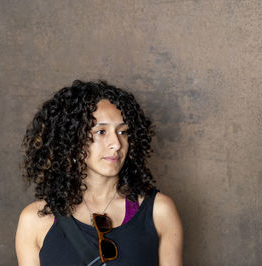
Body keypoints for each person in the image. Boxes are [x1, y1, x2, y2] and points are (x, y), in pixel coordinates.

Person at [15, 80, 183, 266]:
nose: (116, 144)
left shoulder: (159, 211)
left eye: (123, 132)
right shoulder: (34, 220)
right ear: (72, 140)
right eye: (101, 132)